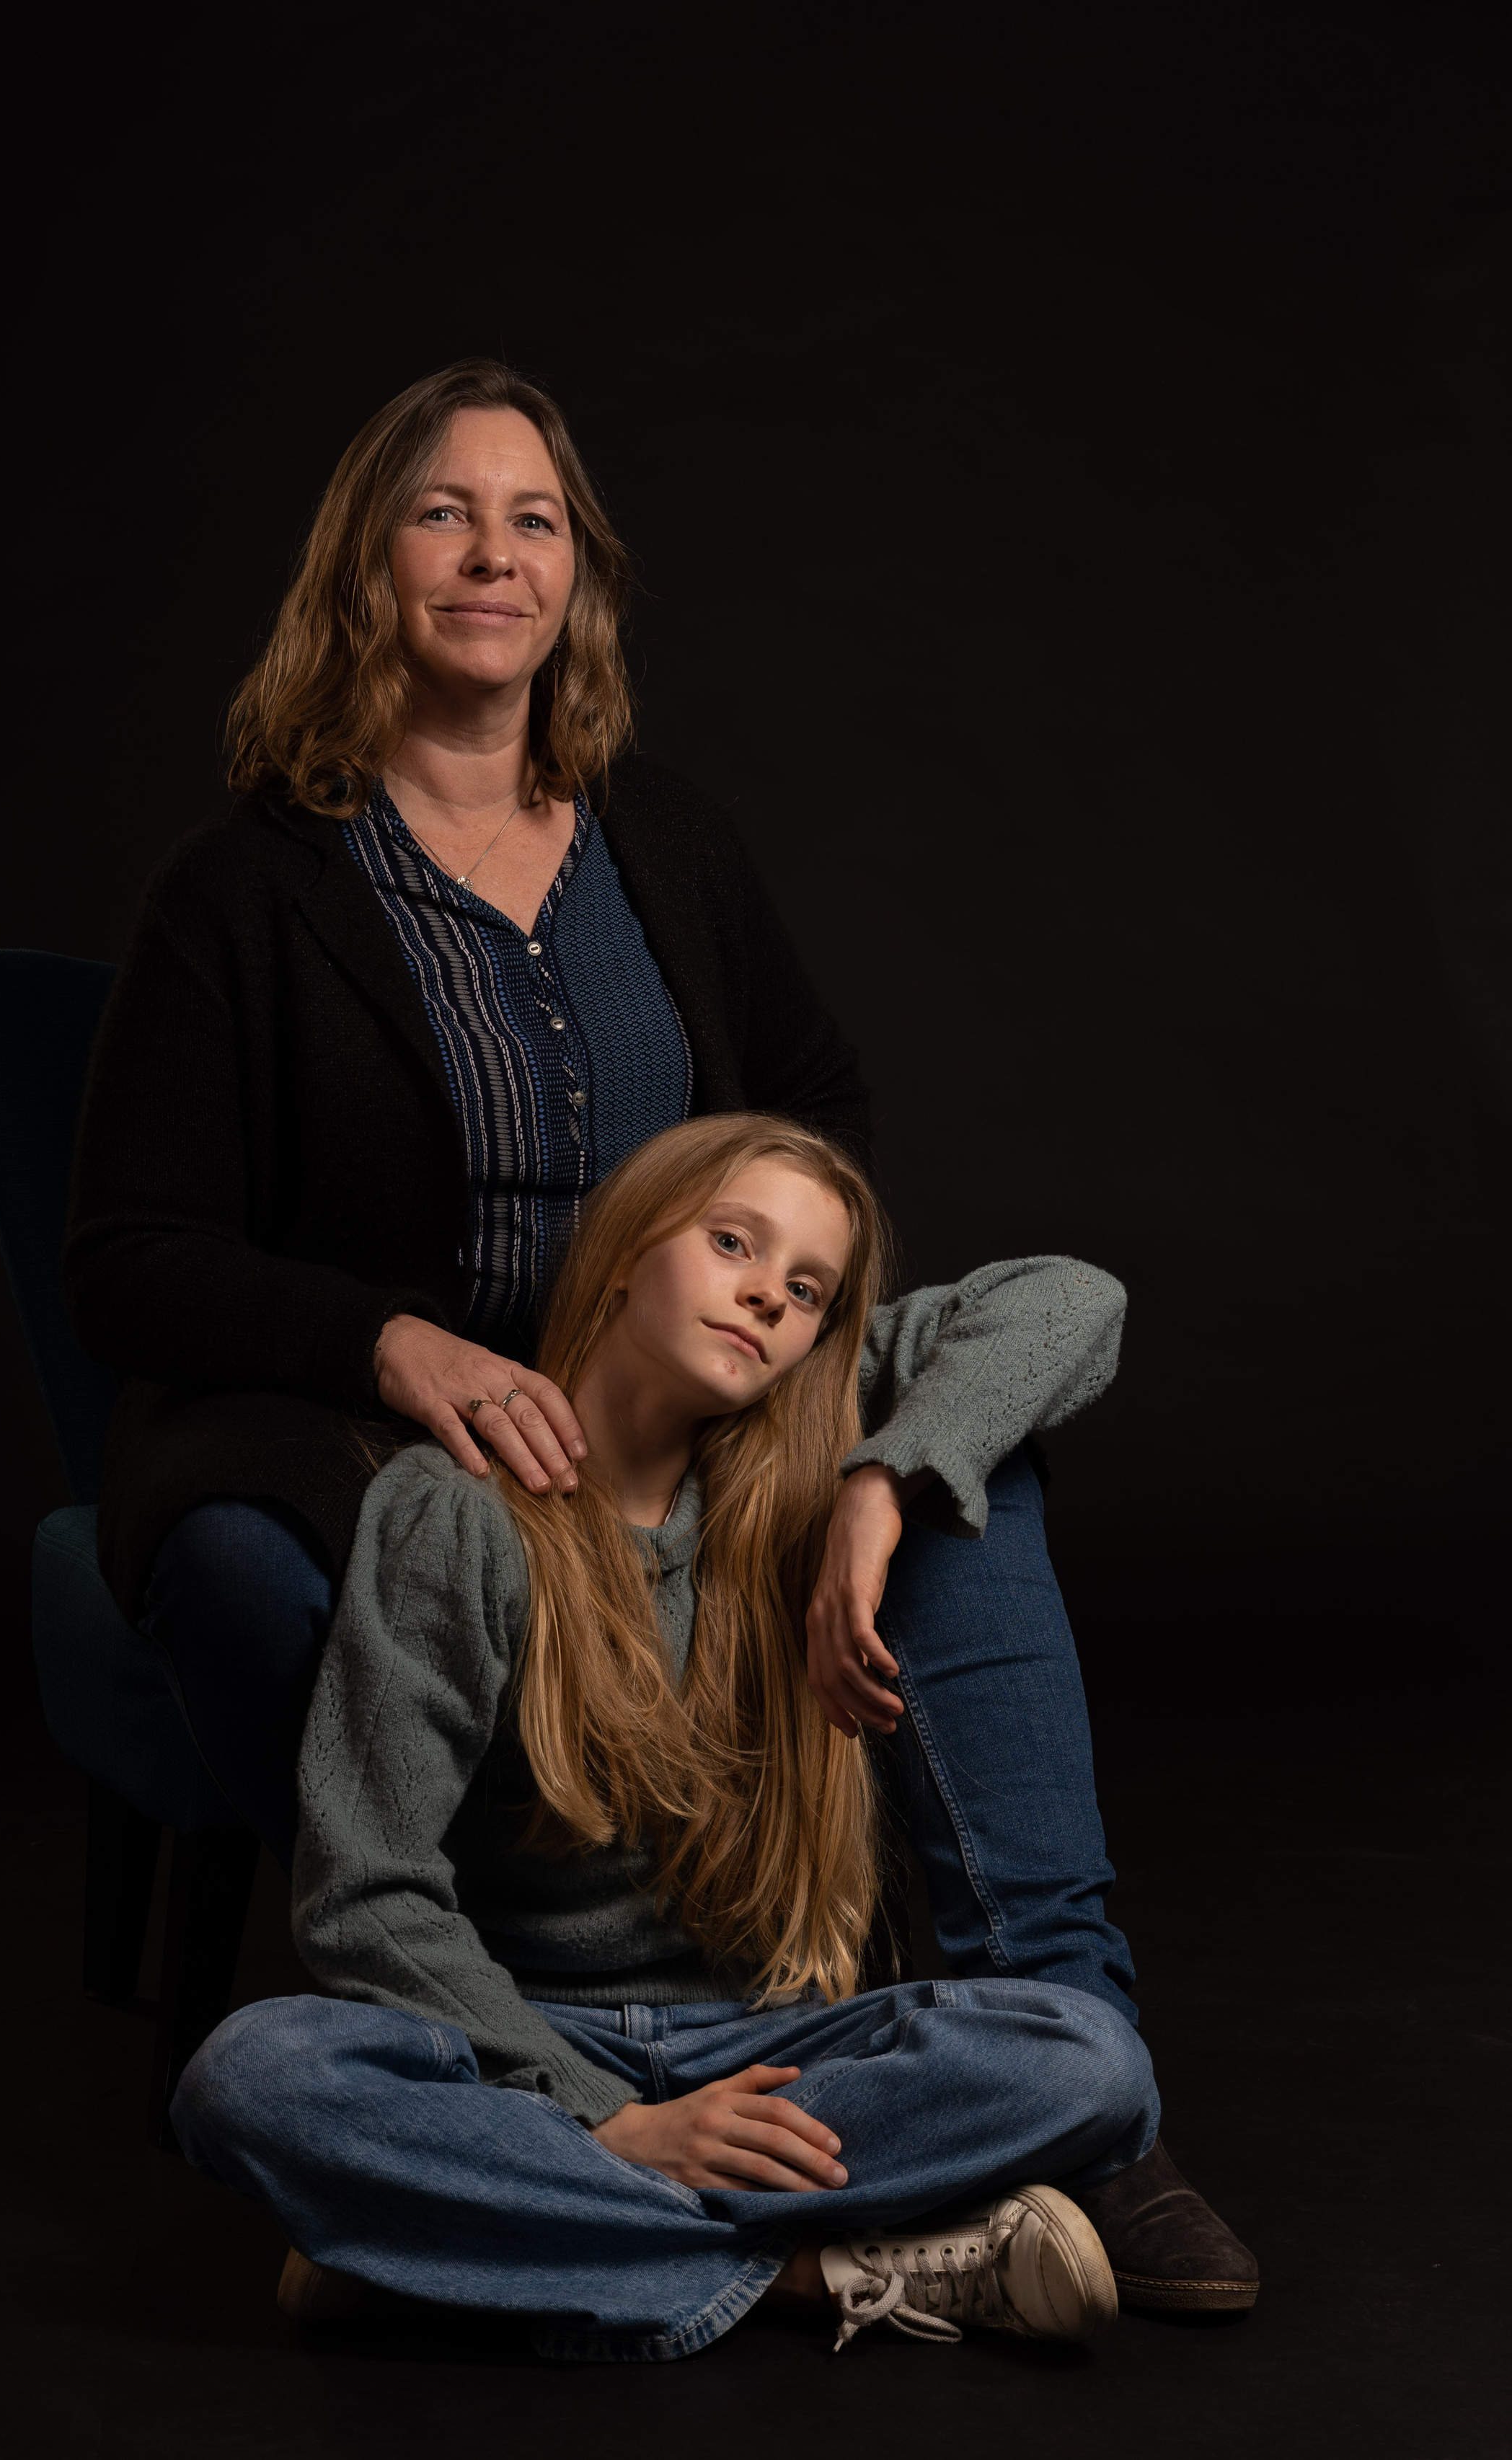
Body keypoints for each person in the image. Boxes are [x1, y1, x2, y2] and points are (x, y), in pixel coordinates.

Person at [65, 358, 1254, 2309]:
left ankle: (1065, 2094)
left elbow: (821, 1127)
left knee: (975, 1455)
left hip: (689, 1378)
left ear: (580, 581)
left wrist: (862, 1460)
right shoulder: (247, 893)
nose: (494, 553)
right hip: (397, 1431)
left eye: (535, 520)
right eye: (445, 512)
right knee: (264, 2032)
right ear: (368, 566)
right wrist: (401, 1346)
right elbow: (129, 1253)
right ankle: (817, 2235)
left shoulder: (668, 843)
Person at [172, 1118, 1162, 2358]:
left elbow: (1073, 1300)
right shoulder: (456, 1513)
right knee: (255, 2074)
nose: (766, 1294)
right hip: (531, 2037)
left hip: (778, 2048)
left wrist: (881, 1484)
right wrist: (602, 2117)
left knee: (1087, 2058)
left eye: (805, 1291)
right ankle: (815, 2276)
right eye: (733, 1242)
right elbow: (364, 1896)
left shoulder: (803, 1459)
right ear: (627, 1254)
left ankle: (457, 2241)